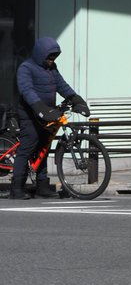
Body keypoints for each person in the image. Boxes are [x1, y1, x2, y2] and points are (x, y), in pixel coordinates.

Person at [9, 37, 89, 200]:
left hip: (47, 113)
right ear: (40, 54)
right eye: (49, 57)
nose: (51, 61)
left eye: (54, 57)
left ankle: (42, 186)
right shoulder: (26, 68)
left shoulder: (52, 69)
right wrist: (40, 108)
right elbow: (27, 91)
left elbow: (62, 85)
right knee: (27, 147)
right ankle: (16, 187)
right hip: (29, 114)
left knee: (43, 147)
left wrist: (75, 99)